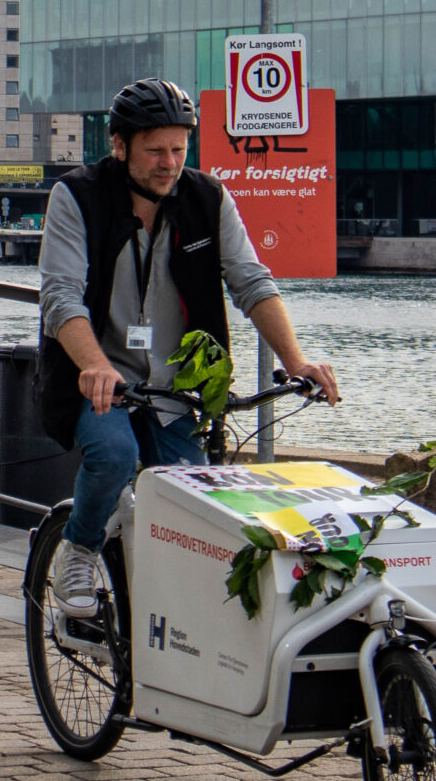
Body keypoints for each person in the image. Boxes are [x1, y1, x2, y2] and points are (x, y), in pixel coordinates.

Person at [37, 78, 340, 617]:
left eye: (179, 149)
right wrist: (96, 366)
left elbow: (251, 281)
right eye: (154, 150)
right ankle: (78, 550)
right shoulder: (77, 196)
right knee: (114, 455)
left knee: (190, 502)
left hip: (175, 389)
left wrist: (297, 362)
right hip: (97, 378)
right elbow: (61, 298)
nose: (169, 162)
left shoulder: (207, 198)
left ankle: (166, 632)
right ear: (119, 145)